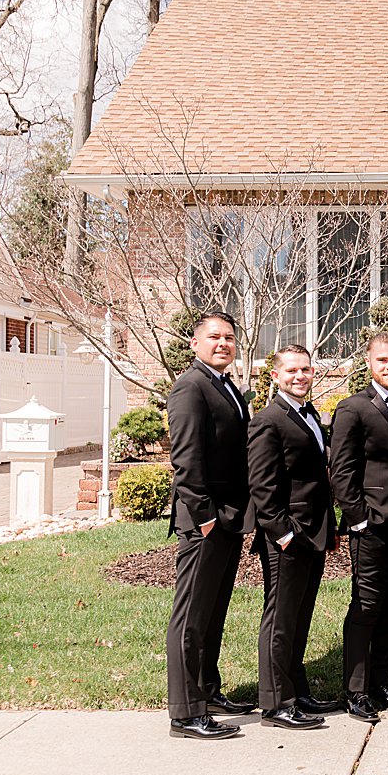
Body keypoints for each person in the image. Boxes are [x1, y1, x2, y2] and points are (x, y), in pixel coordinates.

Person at [165, 310, 255, 740]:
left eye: (229, 338)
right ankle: (185, 713)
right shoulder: (190, 387)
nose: (223, 343)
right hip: (205, 520)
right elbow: (185, 460)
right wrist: (204, 518)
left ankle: (208, 691)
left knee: (214, 611)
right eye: (214, 337)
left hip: (228, 518)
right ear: (195, 343)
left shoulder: (226, 387)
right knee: (191, 618)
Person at [329, 332, 388, 723]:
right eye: (382, 360)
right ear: (369, 363)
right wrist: (359, 517)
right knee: (365, 606)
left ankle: (382, 681)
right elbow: (342, 471)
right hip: (372, 523)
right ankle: (355, 690)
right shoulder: (352, 408)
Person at [246, 345, 335, 731]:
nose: (300, 376)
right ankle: (275, 703)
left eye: (305, 369)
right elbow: (263, 486)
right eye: (292, 371)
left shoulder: (309, 413)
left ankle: (297, 692)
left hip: (314, 533)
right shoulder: (268, 420)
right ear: (275, 377)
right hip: (287, 536)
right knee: (280, 620)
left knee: (299, 618)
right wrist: (281, 533)